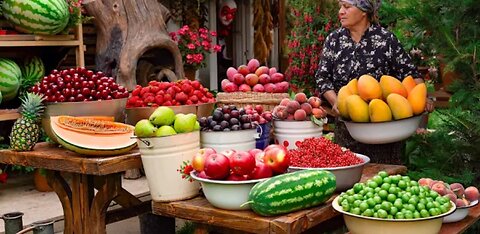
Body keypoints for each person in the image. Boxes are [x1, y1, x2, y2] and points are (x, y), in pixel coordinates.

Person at [315, 0, 434, 164]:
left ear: (364, 11)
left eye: (347, 7)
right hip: (349, 128)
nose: (341, 12)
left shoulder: (386, 39)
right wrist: (336, 102)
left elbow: (410, 73)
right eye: (340, 7)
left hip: (384, 130)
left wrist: (423, 97)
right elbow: (322, 77)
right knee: (350, 179)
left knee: (386, 180)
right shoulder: (334, 40)